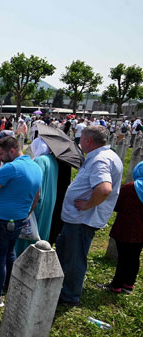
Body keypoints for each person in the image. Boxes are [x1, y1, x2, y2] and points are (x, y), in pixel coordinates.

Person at [56, 126, 123, 306]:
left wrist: (87, 204)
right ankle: (62, 286)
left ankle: (69, 296)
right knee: (67, 252)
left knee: (75, 257)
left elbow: (104, 189)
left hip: (81, 219)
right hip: (76, 218)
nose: (79, 141)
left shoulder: (100, 160)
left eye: (81, 138)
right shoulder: (102, 157)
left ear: (88, 141)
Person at [0, 136, 42, 307]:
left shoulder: (11, 168)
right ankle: (9, 283)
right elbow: (36, 196)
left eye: (1, 154)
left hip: (1, 219)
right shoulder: (36, 167)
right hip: (20, 218)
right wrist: (26, 213)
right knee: (10, 253)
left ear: (12, 151)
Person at [96, 162, 143, 294]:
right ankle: (129, 285)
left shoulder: (130, 188)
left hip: (125, 229)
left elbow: (116, 205)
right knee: (134, 257)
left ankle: (116, 285)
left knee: (123, 258)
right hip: (141, 232)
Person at [14, 138, 59, 255]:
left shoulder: (40, 160)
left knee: (30, 232)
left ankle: (24, 256)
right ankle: (39, 254)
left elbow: (35, 183)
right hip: (49, 199)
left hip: (38, 201)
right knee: (42, 229)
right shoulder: (52, 160)